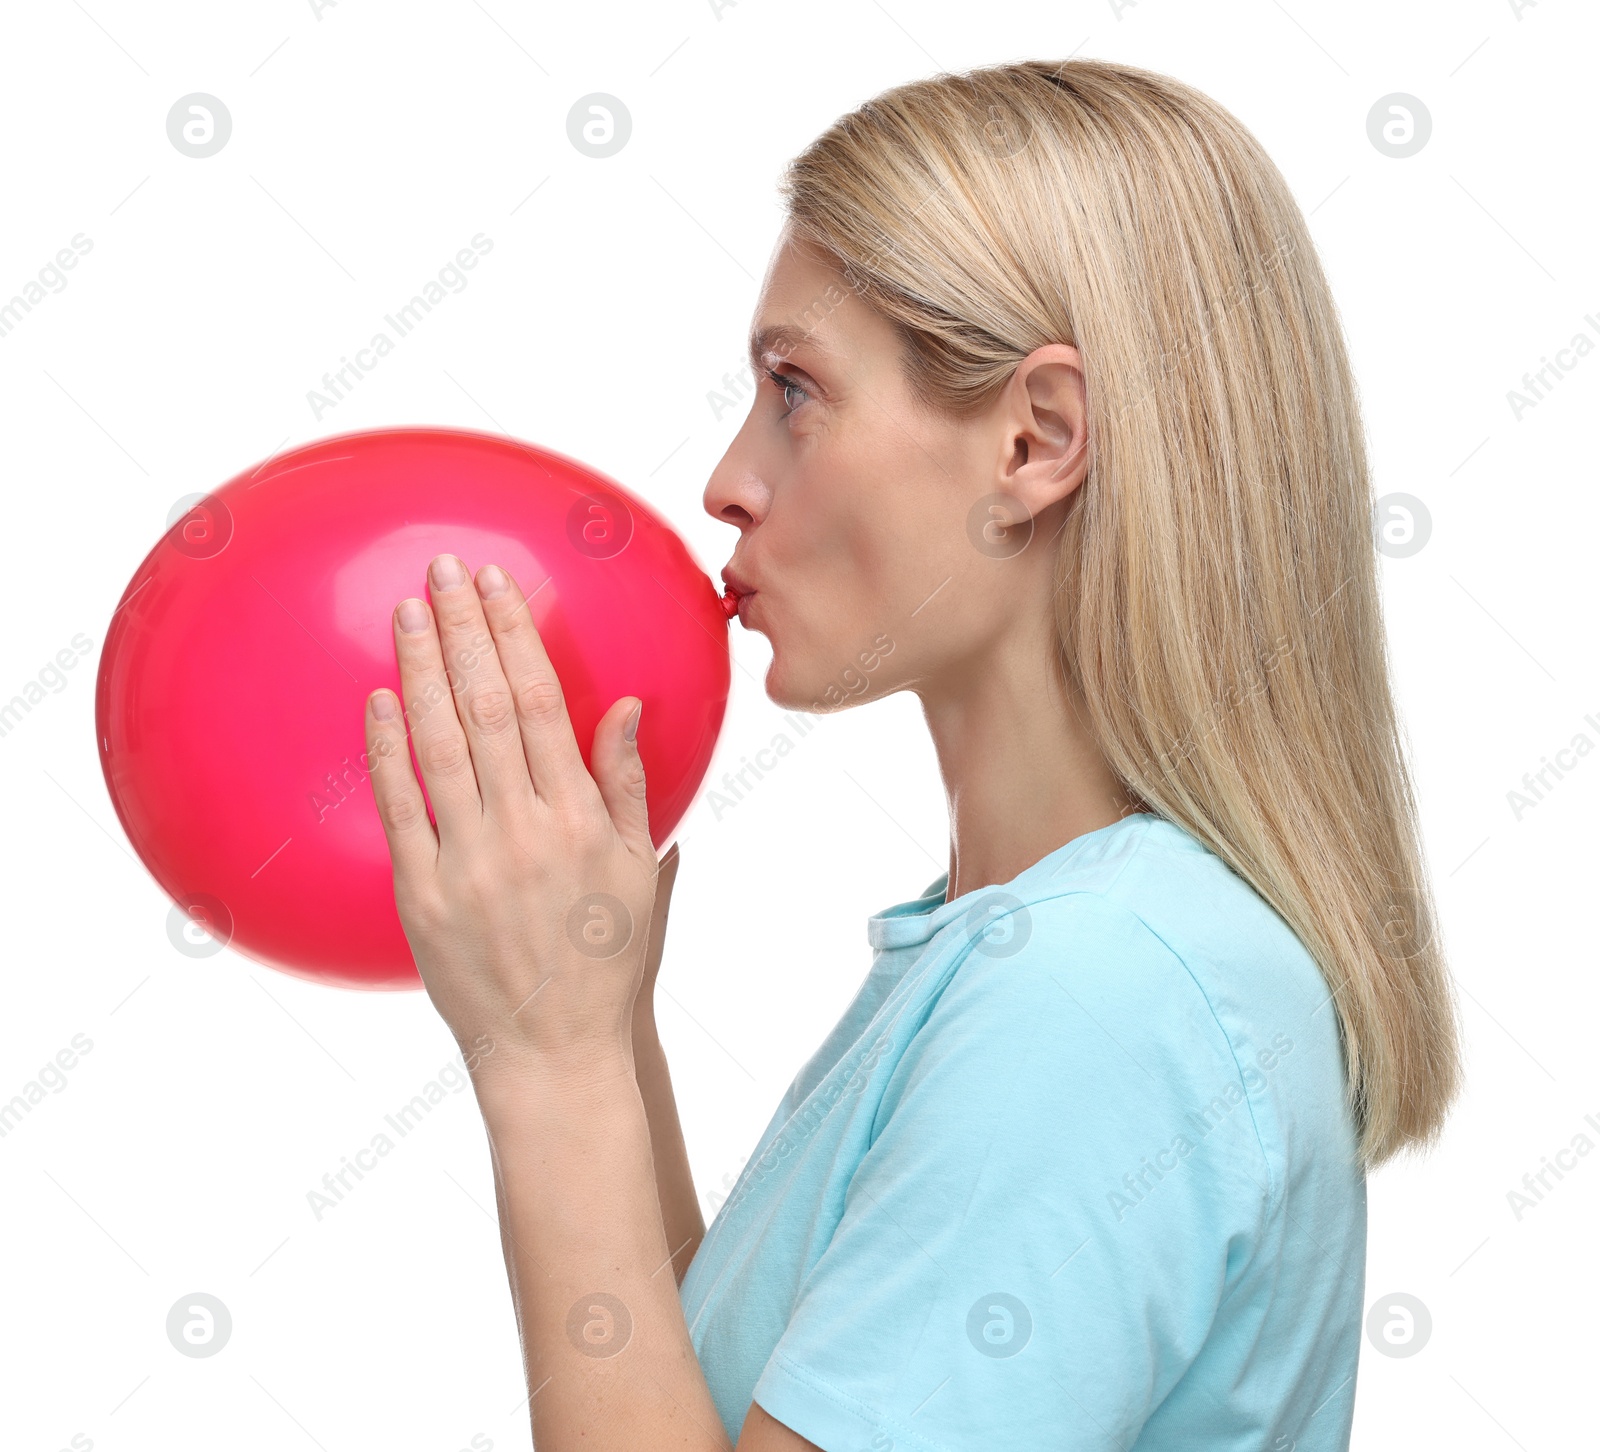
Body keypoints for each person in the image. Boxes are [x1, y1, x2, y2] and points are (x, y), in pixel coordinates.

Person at [362, 58, 1462, 1451]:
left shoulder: (1098, 996)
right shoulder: (1038, 947)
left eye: (796, 391)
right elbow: (715, 1405)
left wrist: (548, 1063)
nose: (728, 482)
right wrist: (611, 1028)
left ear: (1034, 440)